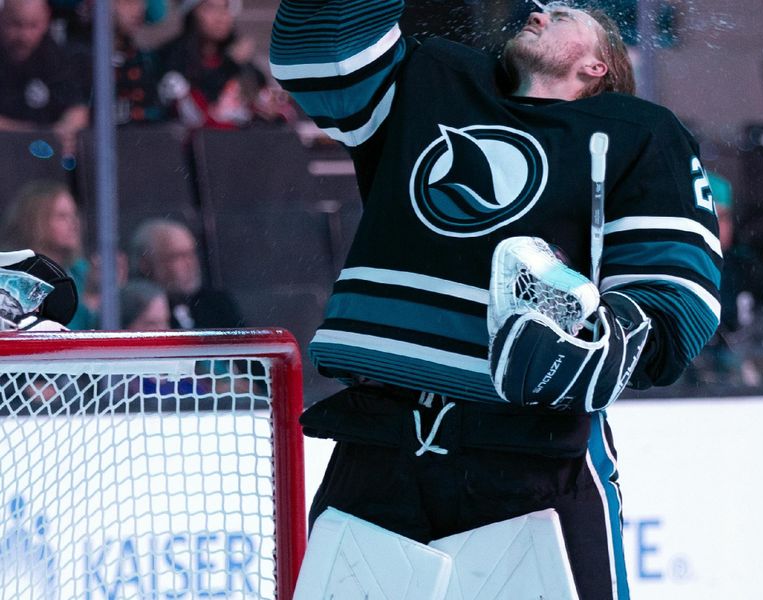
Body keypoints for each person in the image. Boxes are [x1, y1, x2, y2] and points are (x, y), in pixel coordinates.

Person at [270, 2, 721, 599]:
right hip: (379, 446)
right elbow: (319, 54)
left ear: (597, 65)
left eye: (565, 13)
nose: (539, 9)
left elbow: (677, 299)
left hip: (532, 459)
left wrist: (605, 341)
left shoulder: (641, 131)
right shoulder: (429, 80)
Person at [158, 0, 295, 130]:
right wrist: (228, 66)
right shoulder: (173, 60)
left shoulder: (242, 64)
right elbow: (196, 118)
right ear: (191, 13)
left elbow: (276, 109)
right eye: (210, 8)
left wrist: (269, 110)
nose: (221, 17)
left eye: (225, 7)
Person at [0, 0, 89, 157]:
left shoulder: (55, 56)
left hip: (44, 160)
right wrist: (37, 136)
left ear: (46, 21)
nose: (24, 36)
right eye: (15, 24)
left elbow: (77, 109)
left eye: (33, 26)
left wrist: (66, 130)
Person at [0, 180, 94, 330]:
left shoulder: (84, 273)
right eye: (62, 216)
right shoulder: (12, 277)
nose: (74, 223)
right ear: (36, 222)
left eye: (74, 214)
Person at [129, 218, 244, 329]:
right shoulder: (136, 310)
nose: (190, 264)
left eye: (191, 254)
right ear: (145, 264)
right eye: (177, 256)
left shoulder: (218, 304)